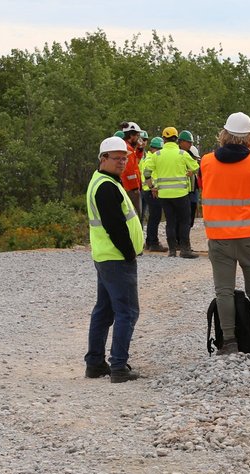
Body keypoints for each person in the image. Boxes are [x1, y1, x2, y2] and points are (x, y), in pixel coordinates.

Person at [199, 112, 250, 356]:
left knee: (223, 291)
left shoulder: (207, 161)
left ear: (223, 134)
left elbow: (204, 184)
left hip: (220, 239)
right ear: (249, 137)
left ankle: (230, 341)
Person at [84, 136, 143, 383]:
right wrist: (129, 252)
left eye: (124, 158)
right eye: (116, 158)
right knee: (127, 312)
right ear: (103, 159)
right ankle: (118, 366)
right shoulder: (106, 186)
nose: (121, 162)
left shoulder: (104, 181)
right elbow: (115, 225)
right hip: (116, 258)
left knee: (104, 311)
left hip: (106, 256)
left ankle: (95, 363)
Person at [149, 126, 200, 258]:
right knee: (184, 221)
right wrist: (190, 172)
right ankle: (185, 250)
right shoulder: (182, 154)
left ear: (164, 139)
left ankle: (172, 251)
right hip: (180, 194)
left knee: (170, 221)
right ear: (176, 139)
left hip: (164, 195)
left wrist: (151, 187)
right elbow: (196, 167)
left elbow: (147, 172)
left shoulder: (157, 155)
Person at [140, 136, 166, 251]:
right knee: (155, 217)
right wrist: (152, 188)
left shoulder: (150, 158)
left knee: (153, 217)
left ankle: (149, 242)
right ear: (154, 149)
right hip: (151, 191)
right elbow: (146, 175)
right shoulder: (151, 159)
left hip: (149, 190)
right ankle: (153, 243)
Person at [118, 121, 145, 221]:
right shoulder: (127, 149)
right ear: (131, 135)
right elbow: (129, 171)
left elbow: (136, 160)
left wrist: (140, 148)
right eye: (137, 135)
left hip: (129, 187)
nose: (138, 138)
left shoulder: (128, 147)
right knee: (135, 216)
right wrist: (135, 188)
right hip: (130, 189)